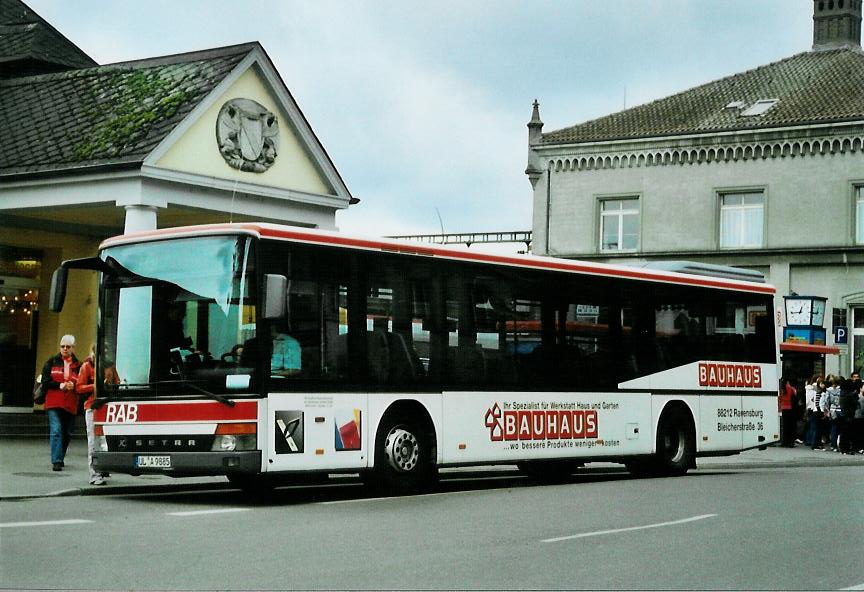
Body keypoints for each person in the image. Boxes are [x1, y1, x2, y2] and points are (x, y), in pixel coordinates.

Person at [76, 344, 120, 485]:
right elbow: (79, 387)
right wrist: (95, 386)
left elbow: (117, 382)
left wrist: (111, 386)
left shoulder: (110, 366)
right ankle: (94, 474)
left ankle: (103, 468)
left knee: (105, 440)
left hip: (107, 406)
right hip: (92, 405)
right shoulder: (86, 366)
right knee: (93, 440)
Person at [41, 335, 80, 471]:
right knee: (56, 430)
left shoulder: (78, 365)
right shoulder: (51, 361)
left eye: (68, 347)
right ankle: (56, 461)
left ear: (73, 348)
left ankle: (60, 456)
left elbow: (81, 383)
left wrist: (73, 386)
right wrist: (60, 385)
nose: (64, 349)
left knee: (67, 433)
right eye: (62, 346)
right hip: (53, 402)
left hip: (70, 403)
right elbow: (45, 381)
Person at [804, 375, 824, 450]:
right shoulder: (816, 389)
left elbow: (808, 400)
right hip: (815, 409)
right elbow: (816, 400)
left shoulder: (809, 388)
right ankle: (814, 444)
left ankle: (810, 441)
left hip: (810, 408)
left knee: (812, 426)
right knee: (816, 427)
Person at [778, 377, 797, 447]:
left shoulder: (781, 389)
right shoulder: (791, 388)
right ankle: (790, 442)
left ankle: (784, 441)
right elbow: (795, 394)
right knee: (790, 426)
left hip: (783, 408)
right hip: (790, 408)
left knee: (784, 426)